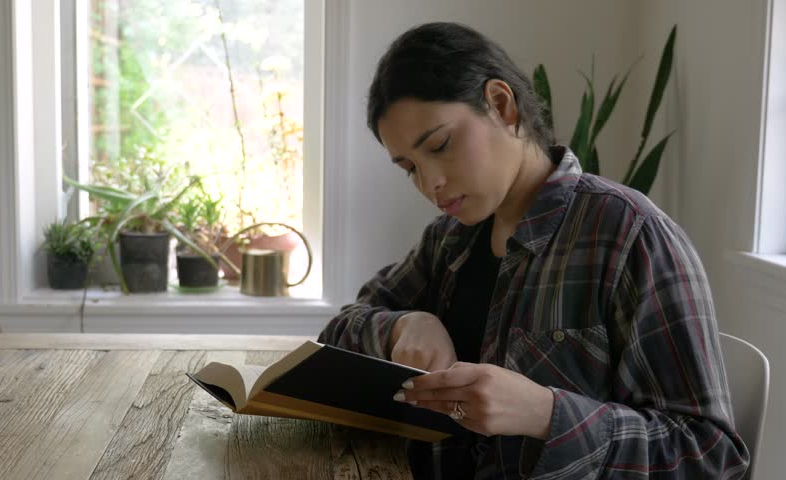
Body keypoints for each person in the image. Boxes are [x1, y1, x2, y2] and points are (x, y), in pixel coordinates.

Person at [318, 21, 750, 479]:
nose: (430, 184)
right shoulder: (449, 240)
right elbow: (339, 332)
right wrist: (403, 325)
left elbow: (711, 458)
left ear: (501, 105)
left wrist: (547, 414)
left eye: (441, 145)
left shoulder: (629, 236)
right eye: (410, 168)